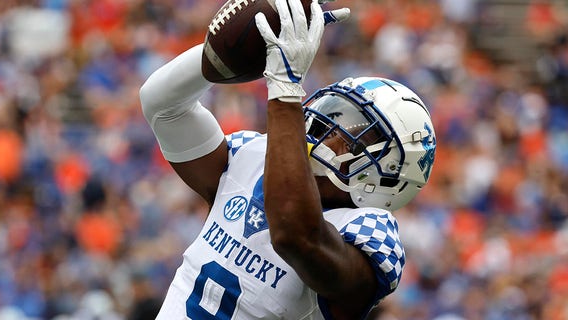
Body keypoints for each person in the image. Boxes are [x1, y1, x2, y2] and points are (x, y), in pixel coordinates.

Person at [139, 0, 436, 318]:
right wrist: (235, 47)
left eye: (356, 135)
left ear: (390, 174)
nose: (331, 134)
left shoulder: (370, 233)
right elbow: (162, 105)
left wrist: (285, 87)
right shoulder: (253, 156)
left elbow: (296, 236)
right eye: (333, 118)